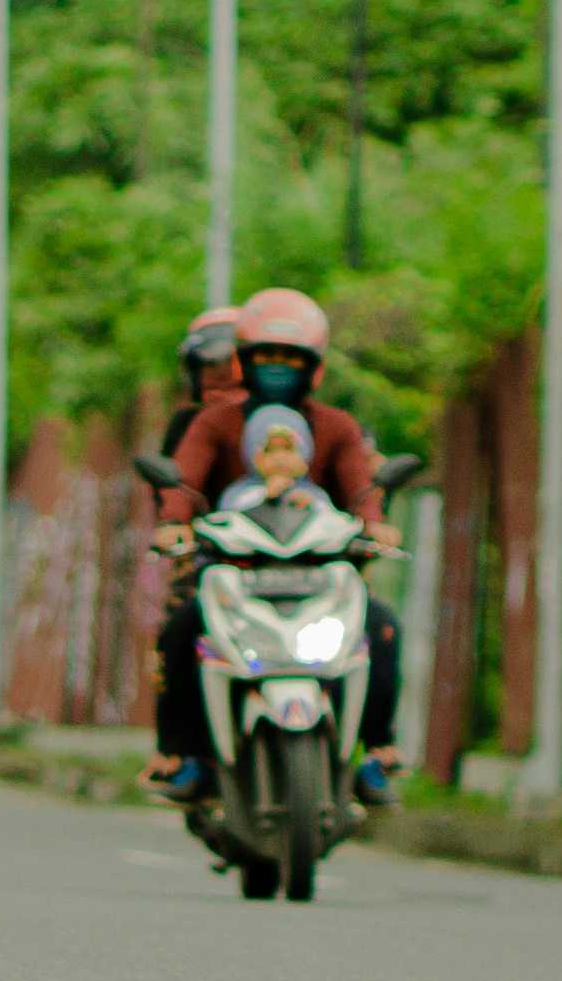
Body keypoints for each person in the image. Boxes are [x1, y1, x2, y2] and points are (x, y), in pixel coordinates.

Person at [145, 285, 404, 806]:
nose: (278, 370)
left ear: (315, 368)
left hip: (319, 571)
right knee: (180, 633)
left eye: (292, 360)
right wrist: (175, 523)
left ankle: (376, 751)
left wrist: (374, 525)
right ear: (244, 363)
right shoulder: (212, 423)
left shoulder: (338, 426)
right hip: (232, 569)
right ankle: (186, 756)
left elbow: (360, 489)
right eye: (266, 359)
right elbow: (186, 486)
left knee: (381, 627)